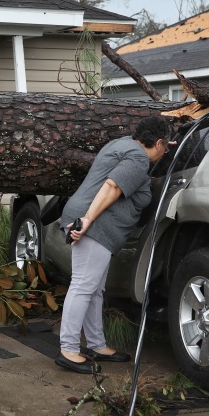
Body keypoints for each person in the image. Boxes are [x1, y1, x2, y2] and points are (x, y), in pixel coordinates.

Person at [56, 115, 172, 374]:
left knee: (94, 288)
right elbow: (112, 186)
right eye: (164, 147)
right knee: (84, 286)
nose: (164, 153)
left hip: (96, 224)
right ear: (158, 142)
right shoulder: (138, 157)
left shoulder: (122, 145)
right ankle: (68, 350)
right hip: (95, 225)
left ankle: (96, 344)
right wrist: (87, 220)